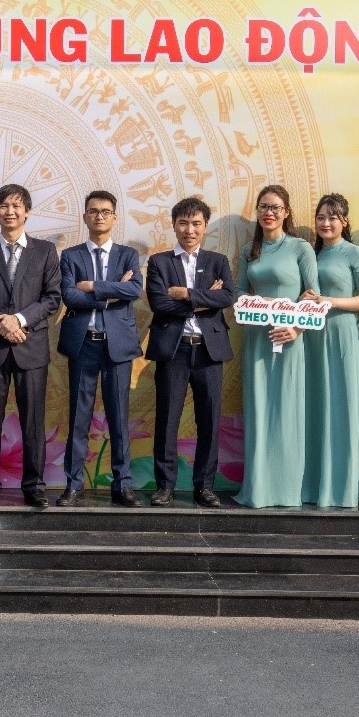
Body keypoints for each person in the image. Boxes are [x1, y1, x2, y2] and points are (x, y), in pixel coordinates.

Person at [0, 183, 62, 508]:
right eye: (4, 206)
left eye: (16, 206)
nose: (10, 211)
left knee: (33, 421)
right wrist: (2, 324)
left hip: (30, 349)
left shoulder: (45, 251)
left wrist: (18, 320)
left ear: (27, 211)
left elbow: (52, 298)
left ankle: (34, 486)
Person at [145, 196, 235, 508]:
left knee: (209, 420)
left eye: (196, 223)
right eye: (183, 223)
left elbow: (226, 297)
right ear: (174, 225)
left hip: (209, 351)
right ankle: (165, 486)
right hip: (174, 350)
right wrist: (204, 298)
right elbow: (159, 303)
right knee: (167, 419)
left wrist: (186, 294)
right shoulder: (159, 262)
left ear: (205, 226)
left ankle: (204, 486)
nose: (190, 230)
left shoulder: (217, 261)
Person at [234, 184, 319, 508]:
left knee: (288, 411)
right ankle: (260, 490)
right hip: (257, 340)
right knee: (259, 411)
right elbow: (237, 294)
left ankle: (289, 490)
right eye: (263, 207)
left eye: (275, 208)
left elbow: (313, 296)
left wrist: (296, 328)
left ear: (286, 213)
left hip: (291, 340)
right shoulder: (249, 250)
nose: (269, 213)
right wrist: (259, 302)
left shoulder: (300, 248)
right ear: (257, 212)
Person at [58, 190, 144, 507]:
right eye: (93, 211)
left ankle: (123, 485)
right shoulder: (71, 256)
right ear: (85, 217)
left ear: (114, 217)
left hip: (117, 346)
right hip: (84, 344)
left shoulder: (128, 255)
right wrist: (112, 294)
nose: (99, 216)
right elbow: (70, 296)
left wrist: (94, 286)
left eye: (106, 212)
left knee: (118, 419)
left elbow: (134, 289)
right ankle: (74, 485)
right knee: (79, 418)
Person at [300, 193, 359, 509]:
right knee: (314, 407)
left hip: (341, 335)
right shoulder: (310, 253)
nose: (326, 223)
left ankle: (343, 486)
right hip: (310, 338)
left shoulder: (355, 253)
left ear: (345, 220)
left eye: (333, 217)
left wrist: (329, 301)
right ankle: (314, 484)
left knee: (342, 407)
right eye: (321, 217)